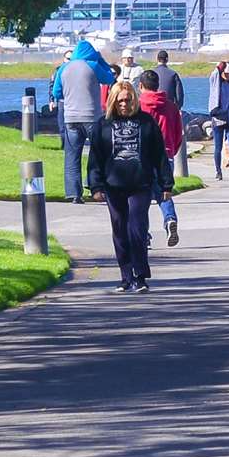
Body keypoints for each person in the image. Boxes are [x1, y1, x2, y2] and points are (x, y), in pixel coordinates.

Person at [90, 80, 170, 289]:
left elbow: (159, 155)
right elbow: (95, 158)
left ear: (134, 100)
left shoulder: (146, 122)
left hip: (140, 184)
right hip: (113, 185)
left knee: (137, 228)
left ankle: (140, 274)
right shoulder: (102, 125)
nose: (124, 104)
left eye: (127, 100)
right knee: (119, 230)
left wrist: (166, 184)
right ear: (113, 101)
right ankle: (126, 276)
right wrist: (95, 186)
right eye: (120, 101)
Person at [53, 35, 111, 200]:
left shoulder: (63, 68)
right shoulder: (92, 65)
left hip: (70, 118)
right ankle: (95, 186)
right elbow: (109, 78)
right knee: (98, 153)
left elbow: (56, 93)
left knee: (71, 156)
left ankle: (73, 193)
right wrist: (101, 60)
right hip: (92, 117)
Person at [141, 61, 186, 246]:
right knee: (164, 193)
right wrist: (172, 150)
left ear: (141, 86)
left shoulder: (138, 105)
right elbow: (178, 132)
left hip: (142, 156)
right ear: (158, 84)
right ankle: (169, 219)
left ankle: (144, 235)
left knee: (140, 198)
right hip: (166, 154)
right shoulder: (170, 106)